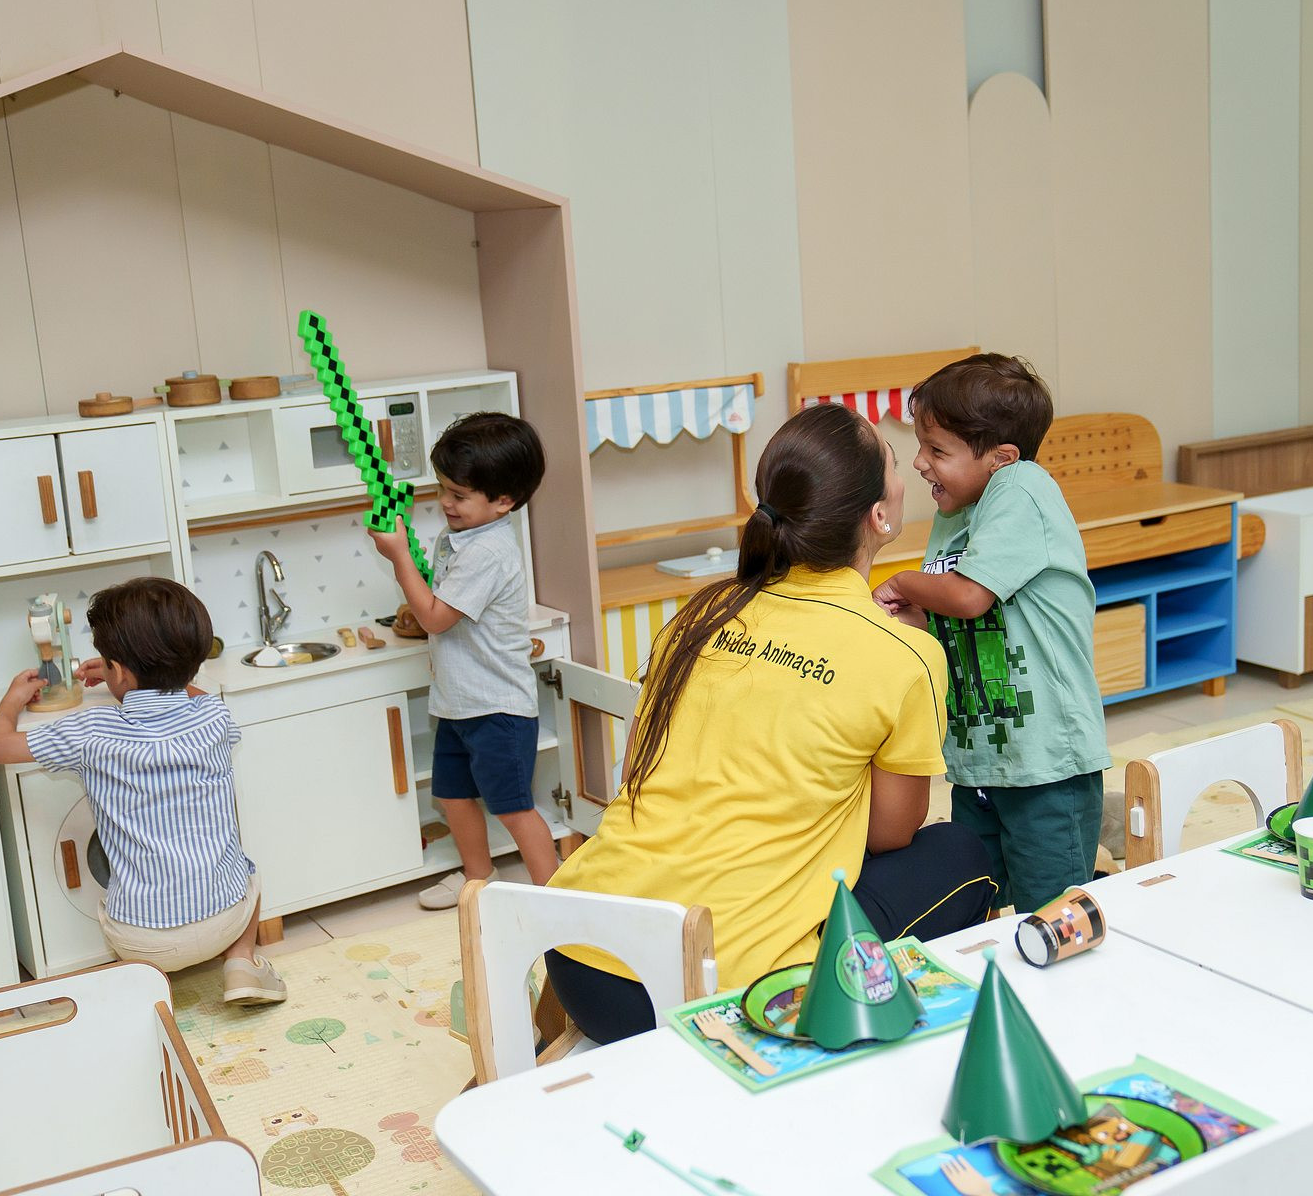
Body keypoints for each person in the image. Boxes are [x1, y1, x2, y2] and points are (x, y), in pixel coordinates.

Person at [546, 402, 996, 1043]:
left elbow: (638, 773)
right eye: (897, 463)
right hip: (718, 991)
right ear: (879, 515)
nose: (911, 472)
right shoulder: (906, 654)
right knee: (963, 853)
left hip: (582, 960)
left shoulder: (700, 612)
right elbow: (889, 835)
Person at [873, 353, 1111, 913]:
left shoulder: (1021, 488)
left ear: (1001, 458)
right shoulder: (957, 513)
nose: (920, 463)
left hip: (1045, 765)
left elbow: (968, 595)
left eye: (937, 451)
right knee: (975, 905)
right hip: (980, 759)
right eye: (921, 447)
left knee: (1050, 915)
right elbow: (956, 617)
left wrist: (902, 581)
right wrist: (916, 619)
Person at [0, 577, 285, 1005]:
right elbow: (192, 694)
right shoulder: (213, 716)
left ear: (119, 671)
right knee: (248, 873)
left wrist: (12, 700)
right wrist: (131, 677)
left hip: (142, 942)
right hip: (226, 922)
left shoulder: (91, 730)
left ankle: (142, 985)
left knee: (123, 900)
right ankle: (240, 963)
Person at [371, 411, 558, 910]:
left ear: (503, 501)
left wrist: (400, 559)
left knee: (513, 808)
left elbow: (436, 618)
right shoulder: (457, 538)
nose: (445, 503)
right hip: (458, 702)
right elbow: (441, 607)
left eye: (458, 495)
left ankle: (556, 898)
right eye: (442, 489)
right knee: (453, 796)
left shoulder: (488, 551)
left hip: (497, 707)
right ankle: (479, 877)